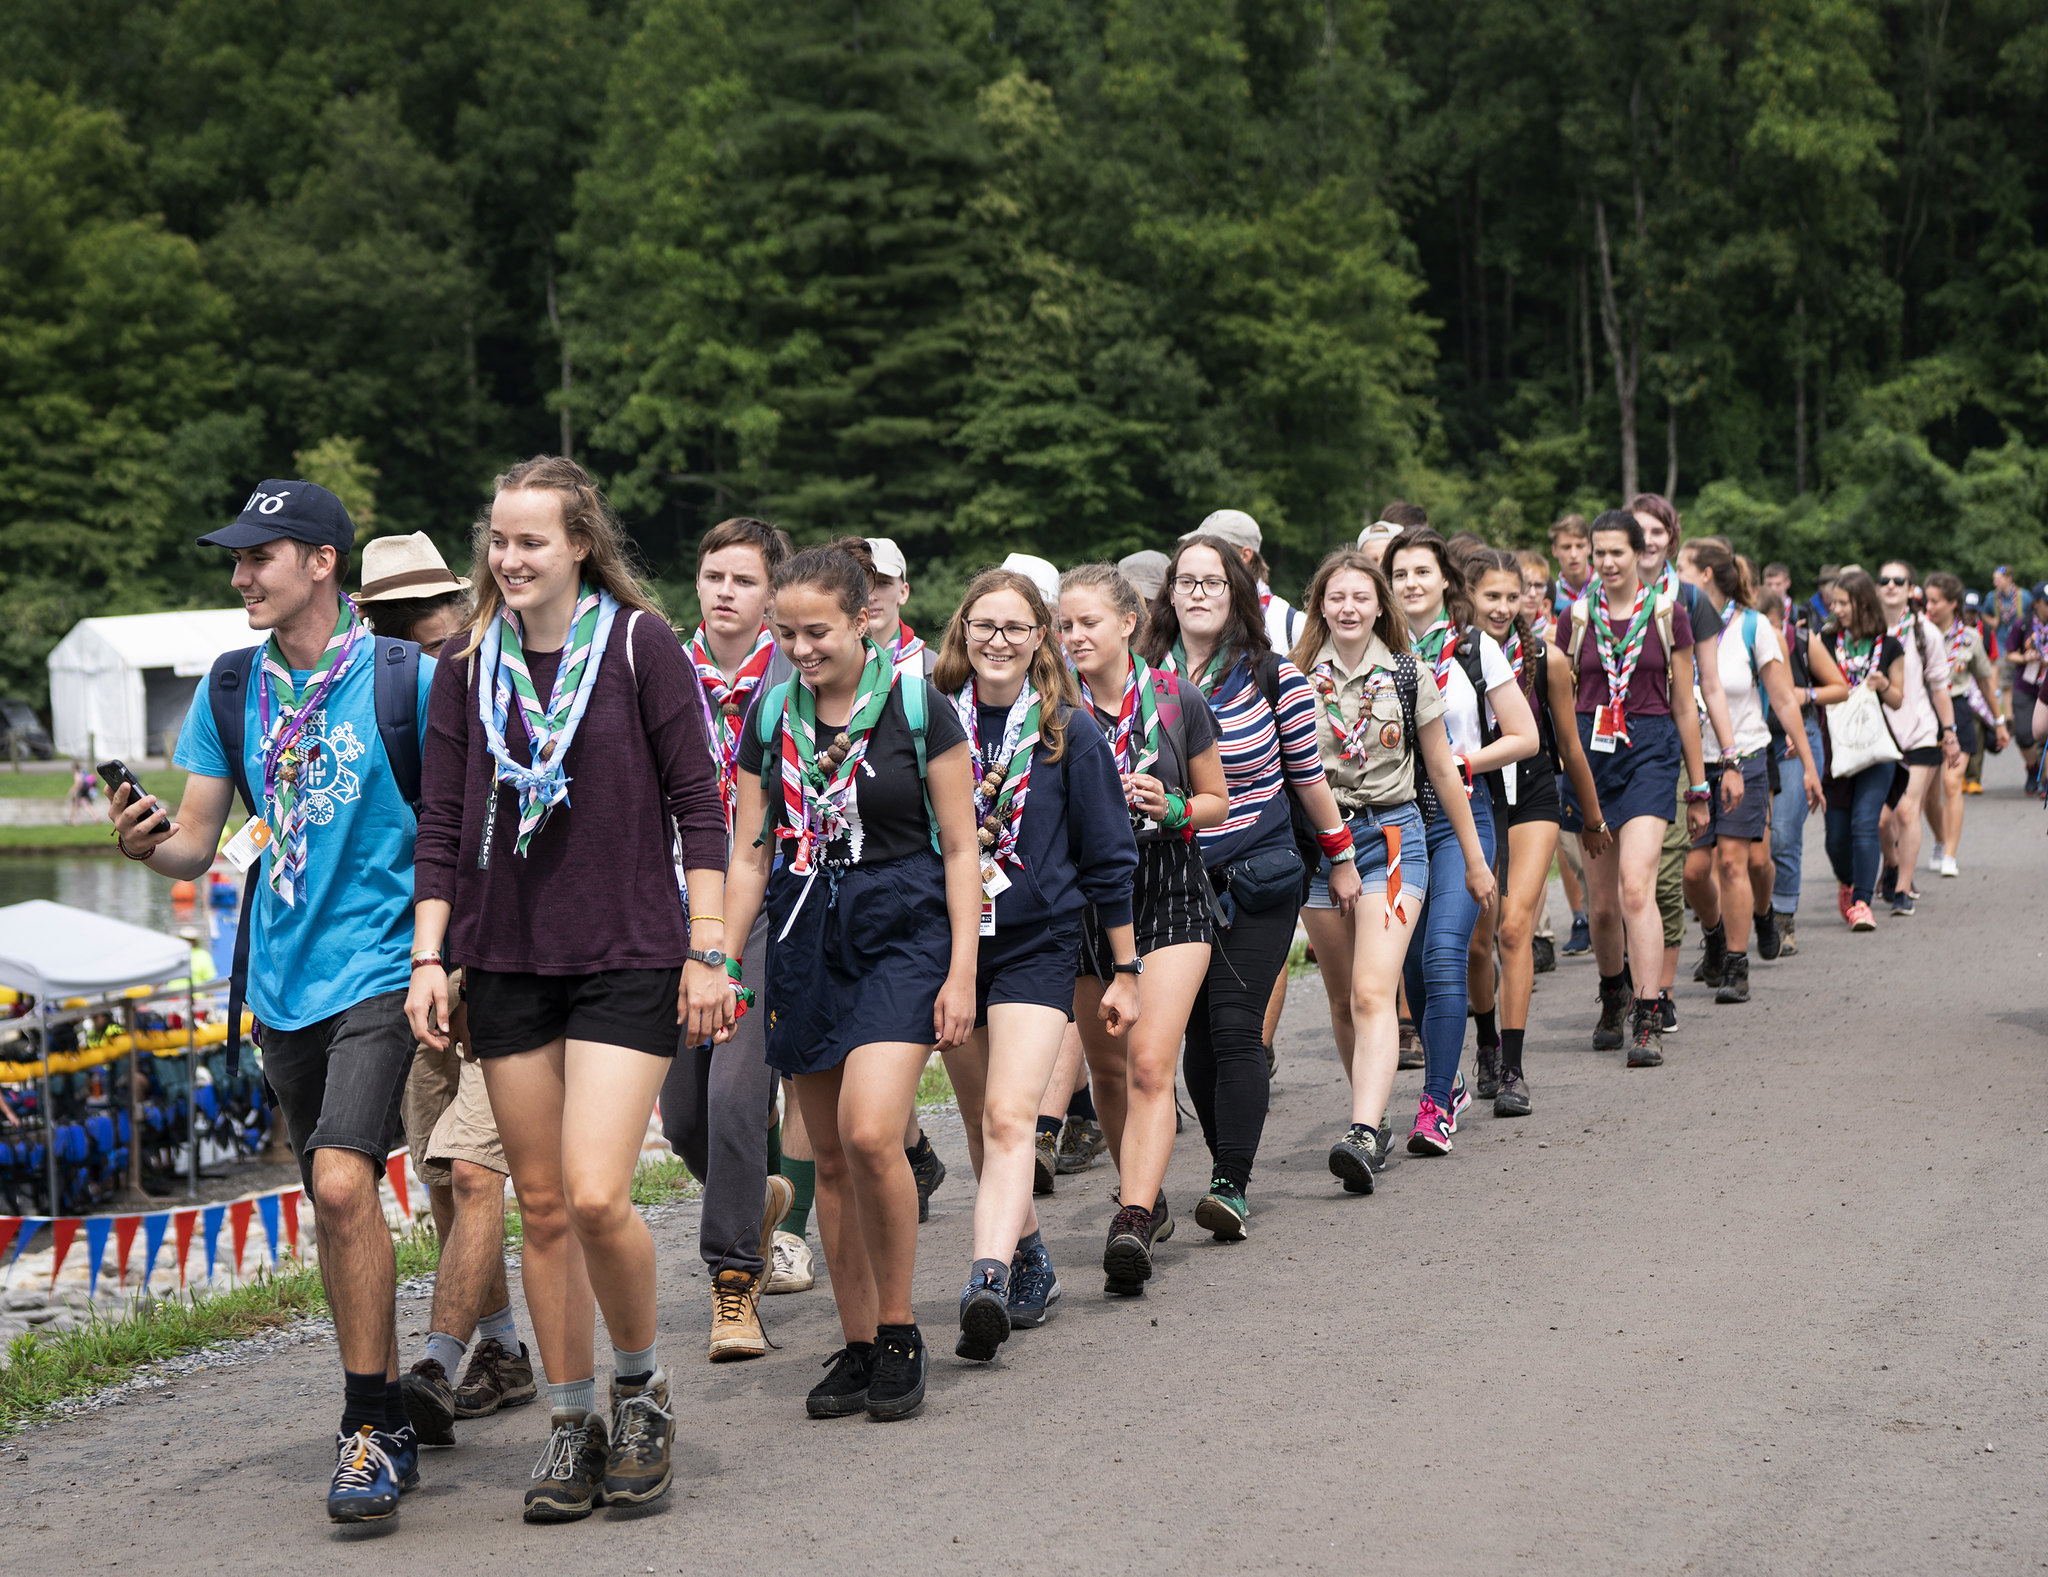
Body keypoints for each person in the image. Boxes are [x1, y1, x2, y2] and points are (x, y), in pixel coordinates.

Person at [407, 456, 732, 1522]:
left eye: (530, 541)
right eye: (497, 541)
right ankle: (569, 1418)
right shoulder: (464, 666)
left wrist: (709, 946)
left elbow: (700, 801)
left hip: (629, 950)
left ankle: (642, 1390)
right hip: (504, 960)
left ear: (579, 544)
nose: (508, 559)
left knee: (595, 1193)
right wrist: (428, 956)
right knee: (538, 1205)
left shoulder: (639, 645)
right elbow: (445, 826)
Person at [112, 478, 435, 1523]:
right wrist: (146, 835)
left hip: (385, 962)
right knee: (336, 1197)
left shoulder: (406, 680)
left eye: (261, 555)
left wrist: (451, 960)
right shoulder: (229, 685)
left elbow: (456, 826)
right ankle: (385, 1396)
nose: (240, 573)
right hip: (280, 977)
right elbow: (200, 840)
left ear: (322, 563)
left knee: (345, 1182)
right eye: (238, 557)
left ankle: (368, 1423)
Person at [721, 538, 981, 1424]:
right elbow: (750, 850)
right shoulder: (768, 715)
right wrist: (721, 954)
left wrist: (962, 969)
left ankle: (903, 1328)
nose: (800, 650)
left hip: (903, 924)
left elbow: (961, 847)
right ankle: (859, 1337)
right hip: (804, 928)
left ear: (864, 616)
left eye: (817, 632)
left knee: (874, 1132)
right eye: (786, 633)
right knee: (827, 1151)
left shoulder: (919, 705)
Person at [932, 569, 1138, 1359]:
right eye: (984, 625)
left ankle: (985, 1274)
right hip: (949, 947)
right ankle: (1032, 1256)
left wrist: (1124, 968)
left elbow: (1110, 855)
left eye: (1016, 628)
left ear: (1040, 638)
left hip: (1034, 943)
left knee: (1014, 1117)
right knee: (988, 1123)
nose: (998, 641)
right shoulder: (927, 720)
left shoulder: (1069, 730)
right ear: (962, 630)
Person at [358, 540, 533, 1442]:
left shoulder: (500, 677)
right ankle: (503, 1350)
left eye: (439, 631)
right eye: (409, 638)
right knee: (442, 1172)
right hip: (414, 967)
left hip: (504, 963)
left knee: (477, 1167)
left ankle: (435, 1358)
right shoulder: (371, 698)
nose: (433, 657)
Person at [1141, 533, 1359, 1237]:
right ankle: (1220, 1157)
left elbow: (1309, 777)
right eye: (1187, 581)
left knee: (1236, 1027)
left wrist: (1343, 857)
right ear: (1169, 595)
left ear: (1237, 593)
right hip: (1167, 882)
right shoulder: (1142, 678)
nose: (1199, 591)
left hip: (1254, 878)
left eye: (1214, 581)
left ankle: (1231, 1182)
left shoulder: (1275, 677)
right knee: (1195, 1038)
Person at [1291, 549, 1490, 1178]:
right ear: (1319, 606)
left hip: (1393, 840)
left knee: (1376, 989)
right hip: (1323, 844)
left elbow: (1442, 772)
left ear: (1381, 604)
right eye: (1336, 597)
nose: (1348, 608)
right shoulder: (1293, 677)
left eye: (1361, 597)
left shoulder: (1409, 675)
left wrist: (1476, 861)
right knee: (1345, 996)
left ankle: (1362, 1130)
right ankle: (1370, 1111)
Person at [1060, 562, 1227, 1291]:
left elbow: (1219, 800)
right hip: (1088, 900)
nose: (1073, 637)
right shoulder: (1052, 707)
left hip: (1169, 888)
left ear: (1128, 622)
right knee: (1109, 1067)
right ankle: (1147, 1190)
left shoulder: (1174, 696)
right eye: (1063, 626)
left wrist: (1175, 806)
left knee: (1153, 1062)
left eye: (1087, 622)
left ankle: (1130, 1220)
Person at [668, 515, 802, 1364]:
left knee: (731, 1095)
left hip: (758, 904)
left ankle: (734, 1283)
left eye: (743, 579)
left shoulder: (799, 676)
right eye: (713, 575)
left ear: (773, 596)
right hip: (670, 909)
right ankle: (752, 1190)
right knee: (684, 1114)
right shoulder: (656, 675)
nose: (723, 592)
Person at [1556, 510, 1709, 1066]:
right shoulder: (1573, 617)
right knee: (1601, 908)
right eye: (1598, 553)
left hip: (1649, 748)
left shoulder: (1669, 614)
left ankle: (1648, 1012)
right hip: (1591, 754)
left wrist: (1699, 786)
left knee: (1636, 888)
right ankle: (1613, 990)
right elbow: (1559, 695)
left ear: (1640, 552)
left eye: (1617, 552)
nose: (1606, 562)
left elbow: (1685, 704)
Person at [1382, 530, 1519, 1148]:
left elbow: (1525, 737)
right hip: (1395, 823)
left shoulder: (1475, 650)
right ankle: (1451, 1078)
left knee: (1444, 951)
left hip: (1465, 817)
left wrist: (1465, 761)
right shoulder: (1375, 653)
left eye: (1422, 572)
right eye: (1401, 573)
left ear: (1446, 583)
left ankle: (1435, 1101)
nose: (1411, 582)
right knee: (1410, 965)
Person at [1463, 549, 1609, 1113]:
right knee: (1480, 937)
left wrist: (1592, 818)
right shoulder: (1452, 656)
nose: (1502, 607)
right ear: (1469, 597)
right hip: (1475, 792)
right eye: (1490, 596)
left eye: (1511, 595)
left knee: (1515, 928)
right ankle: (1486, 1044)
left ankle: (1516, 1070)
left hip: (1534, 791)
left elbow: (1569, 746)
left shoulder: (1545, 658)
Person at [1674, 541, 1822, 1003]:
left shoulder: (1754, 627)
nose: (1671, 575)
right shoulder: (1673, 621)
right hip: (1694, 761)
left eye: (1680, 567)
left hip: (1749, 756)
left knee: (1737, 862)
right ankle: (1716, 936)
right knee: (1695, 873)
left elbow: (1782, 697)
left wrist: (1810, 767)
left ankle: (1737, 963)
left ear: (1704, 577)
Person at [860, 536, 949, 1223]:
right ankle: (911, 1147)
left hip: (920, 886)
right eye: (856, 581)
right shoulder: (805, 675)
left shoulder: (935, 675)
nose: (871, 593)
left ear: (903, 590)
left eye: (880, 581)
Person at [1631, 494, 1736, 1036]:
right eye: (1638, 531)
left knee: (1669, 874)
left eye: (1657, 532)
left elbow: (1710, 686)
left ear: (1671, 538)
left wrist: (1728, 759)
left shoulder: (1690, 599)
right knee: (1626, 886)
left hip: (1672, 746)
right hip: (1613, 749)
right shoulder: (1597, 603)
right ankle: (1630, 978)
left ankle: (1661, 990)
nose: (1647, 541)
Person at [1757, 590, 1847, 958]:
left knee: (1783, 833)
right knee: (1750, 843)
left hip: (1796, 738)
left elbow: (1840, 688)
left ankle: (1783, 918)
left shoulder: (1802, 641)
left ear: (1783, 620)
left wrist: (1803, 694)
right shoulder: (1731, 642)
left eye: (1773, 627)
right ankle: (1747, 916)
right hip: (1753, 742)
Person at [1819, 569, 1909, 930]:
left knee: (1864, 824)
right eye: (1835, 602)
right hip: (1834, 748)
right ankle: (1847, 880)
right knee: (1835, 837)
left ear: (1861, 603)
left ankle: (1861, 903)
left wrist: (1884, 683)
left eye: (1843, 602)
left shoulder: (1889, 646)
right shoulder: (1824, 642)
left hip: (1874, 748)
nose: (1836, 608)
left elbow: (1898, 700)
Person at [1872, 560, 1959, 915]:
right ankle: (1891, 865)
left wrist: (1949, 731)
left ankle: (1904, 889)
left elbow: (1940, 687)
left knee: (1908, 813)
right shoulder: (1867, 629)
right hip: (1879, 734)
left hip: (1921, 731)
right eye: (1884, 579)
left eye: (1899, 580)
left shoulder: (1926, 632)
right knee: (1880, 819)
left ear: (1911, 589)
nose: (1891, 585)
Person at [1923, 572, 2006, 876]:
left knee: (1951, 783)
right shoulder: (1919, 634)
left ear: (1952, 603)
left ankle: (1949, 855)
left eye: (1935, 601)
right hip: (1926, 712)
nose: (1928, 606)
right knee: (1930, 793)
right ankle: (1939, 838)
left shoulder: (1970, 638)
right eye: (1927, 600)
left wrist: (1999, 722)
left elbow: (1984, 682)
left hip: (1958, 711)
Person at [1187, 508, 1302, 653]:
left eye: (1213, 547)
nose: (1201, 553)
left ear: (1245, 555)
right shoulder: (1190, 610)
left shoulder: (1291, 624)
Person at [1549, 514, 1595, 616]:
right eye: (1566, 547)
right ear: (1554, 550)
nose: (1573, 554)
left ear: (1589, 547)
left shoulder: (1606, 586)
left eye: (1580, 546)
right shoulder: (1550, 596)